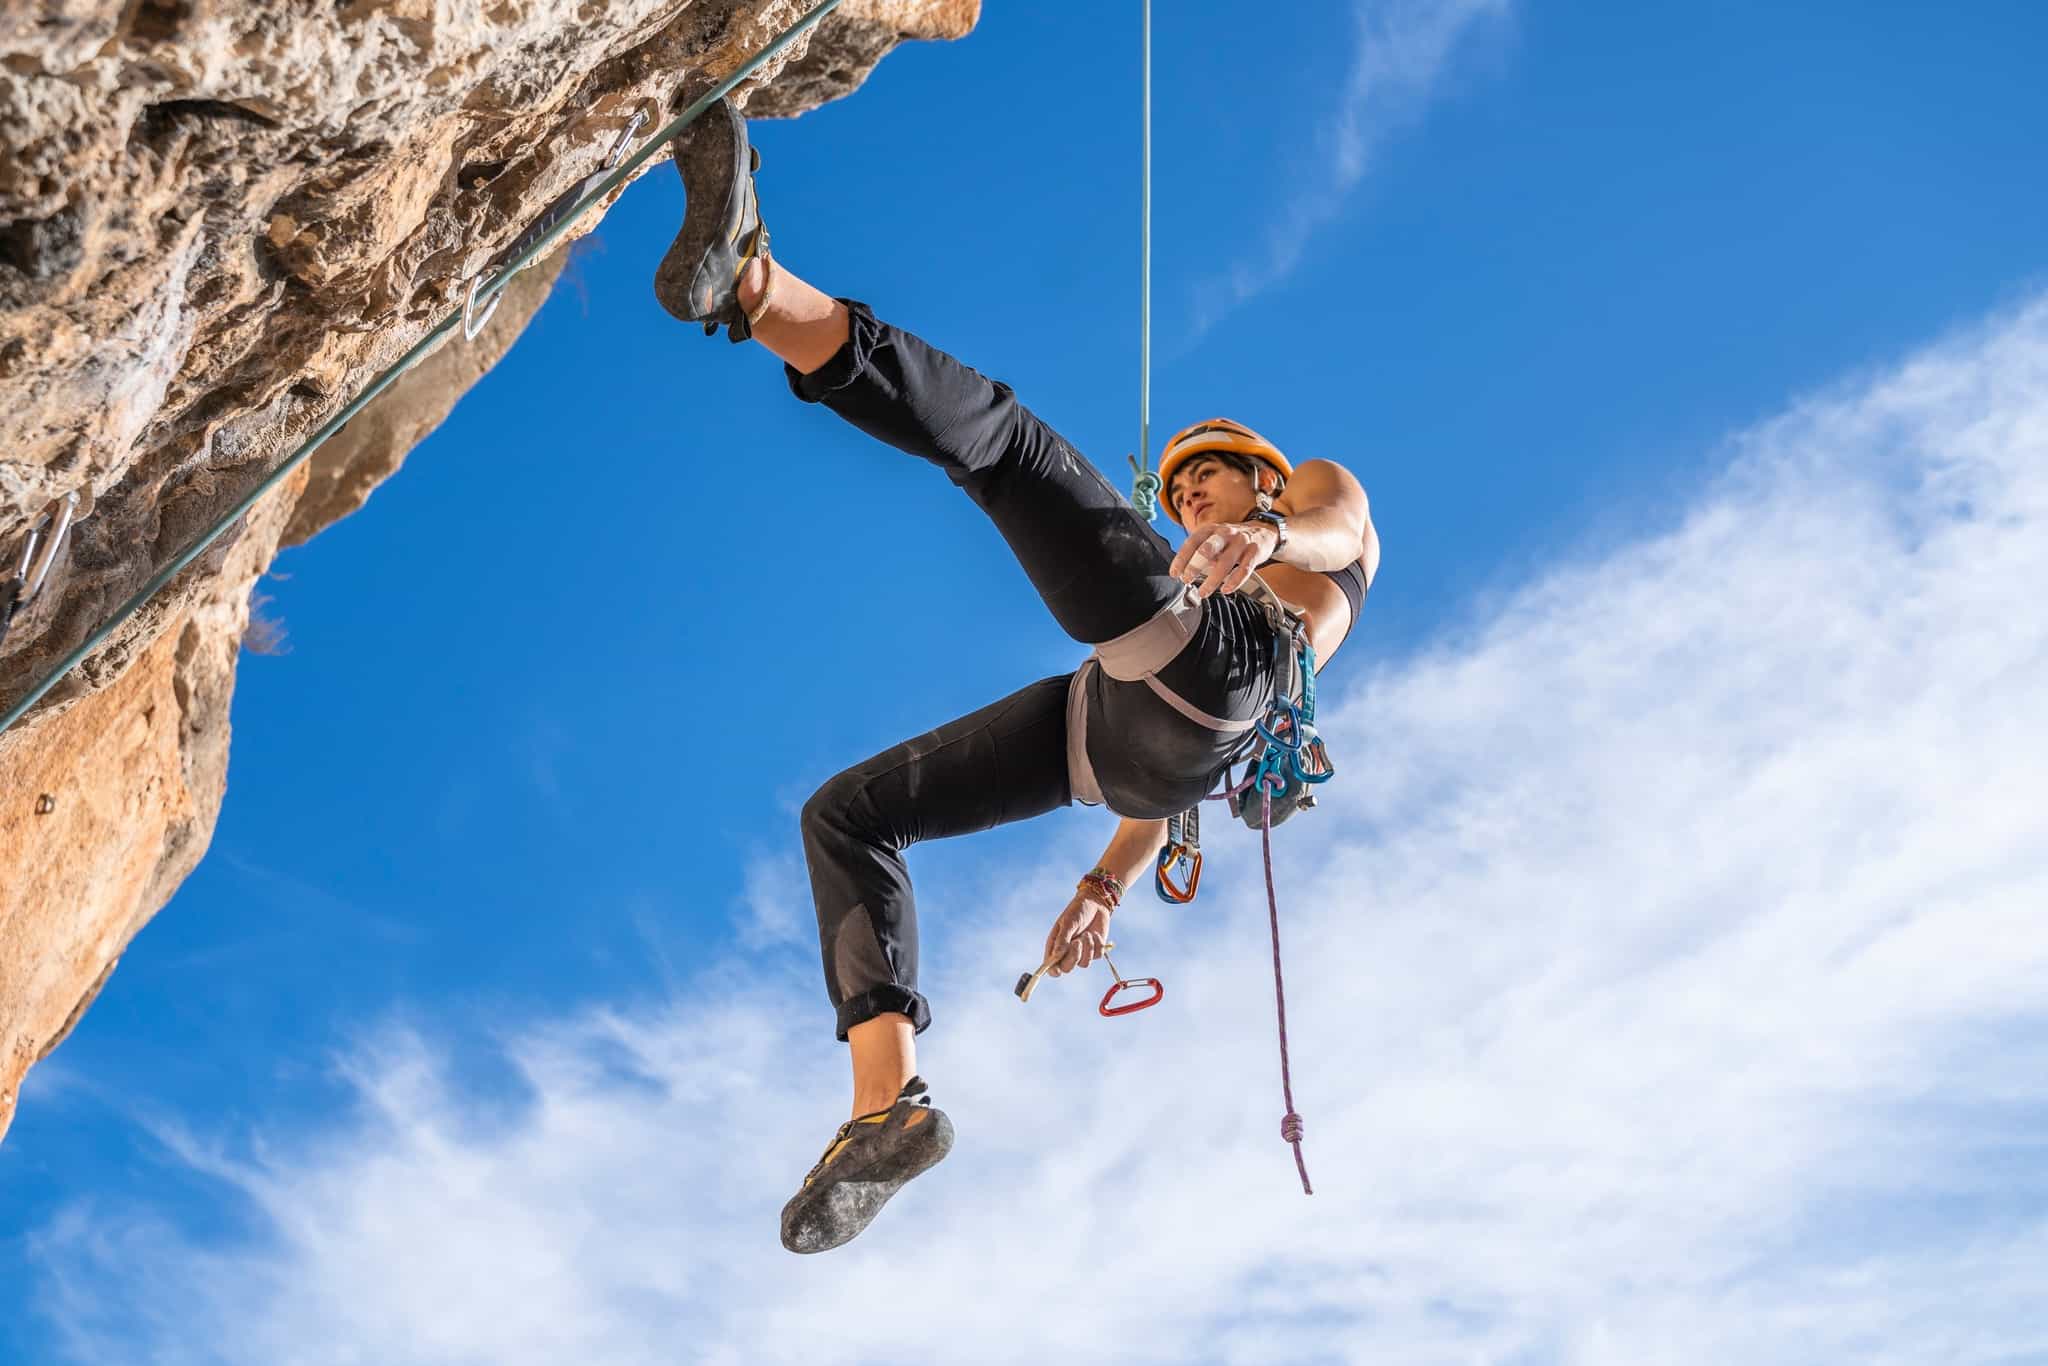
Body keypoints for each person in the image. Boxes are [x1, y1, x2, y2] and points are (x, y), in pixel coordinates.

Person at [656, 98, 1380, 1254]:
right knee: (846, 814)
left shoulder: (1306, 516)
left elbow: (1340, 530)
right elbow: (1162, 781)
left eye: (1208, 484)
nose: (1188, 501)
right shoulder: (1186, 586)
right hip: (1125, 734)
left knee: (1003, 444)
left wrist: (1274, 542)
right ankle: (881, 1107)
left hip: (1224, 679)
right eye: (1179, 493)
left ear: (1264, 475)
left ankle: (757, 286)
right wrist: (1101, 891)